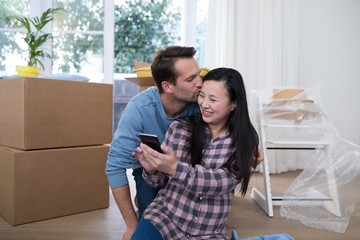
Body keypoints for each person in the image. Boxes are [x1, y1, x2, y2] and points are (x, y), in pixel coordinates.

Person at [132, 67, 261, 239]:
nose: (204, 104)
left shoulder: (244, 141)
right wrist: (151, 169)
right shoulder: (180, 128)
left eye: (213, 99)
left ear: (233, 103)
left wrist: (175, 168)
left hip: (208, 230)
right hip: (164, 217)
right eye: (202, 96)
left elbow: (219, 183)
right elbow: (159, 182)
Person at [105, 46, 203, 240]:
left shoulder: (202, 102)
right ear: (167, 87)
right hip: (149, 170)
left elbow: (234, 117)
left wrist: (251, 144)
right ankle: (143, 200)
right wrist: (131, 226)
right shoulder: (139, 108)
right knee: (151, 224)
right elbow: (115, 167)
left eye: (199, 75)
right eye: (191, 79)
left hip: (187, 168)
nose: (200, 83)